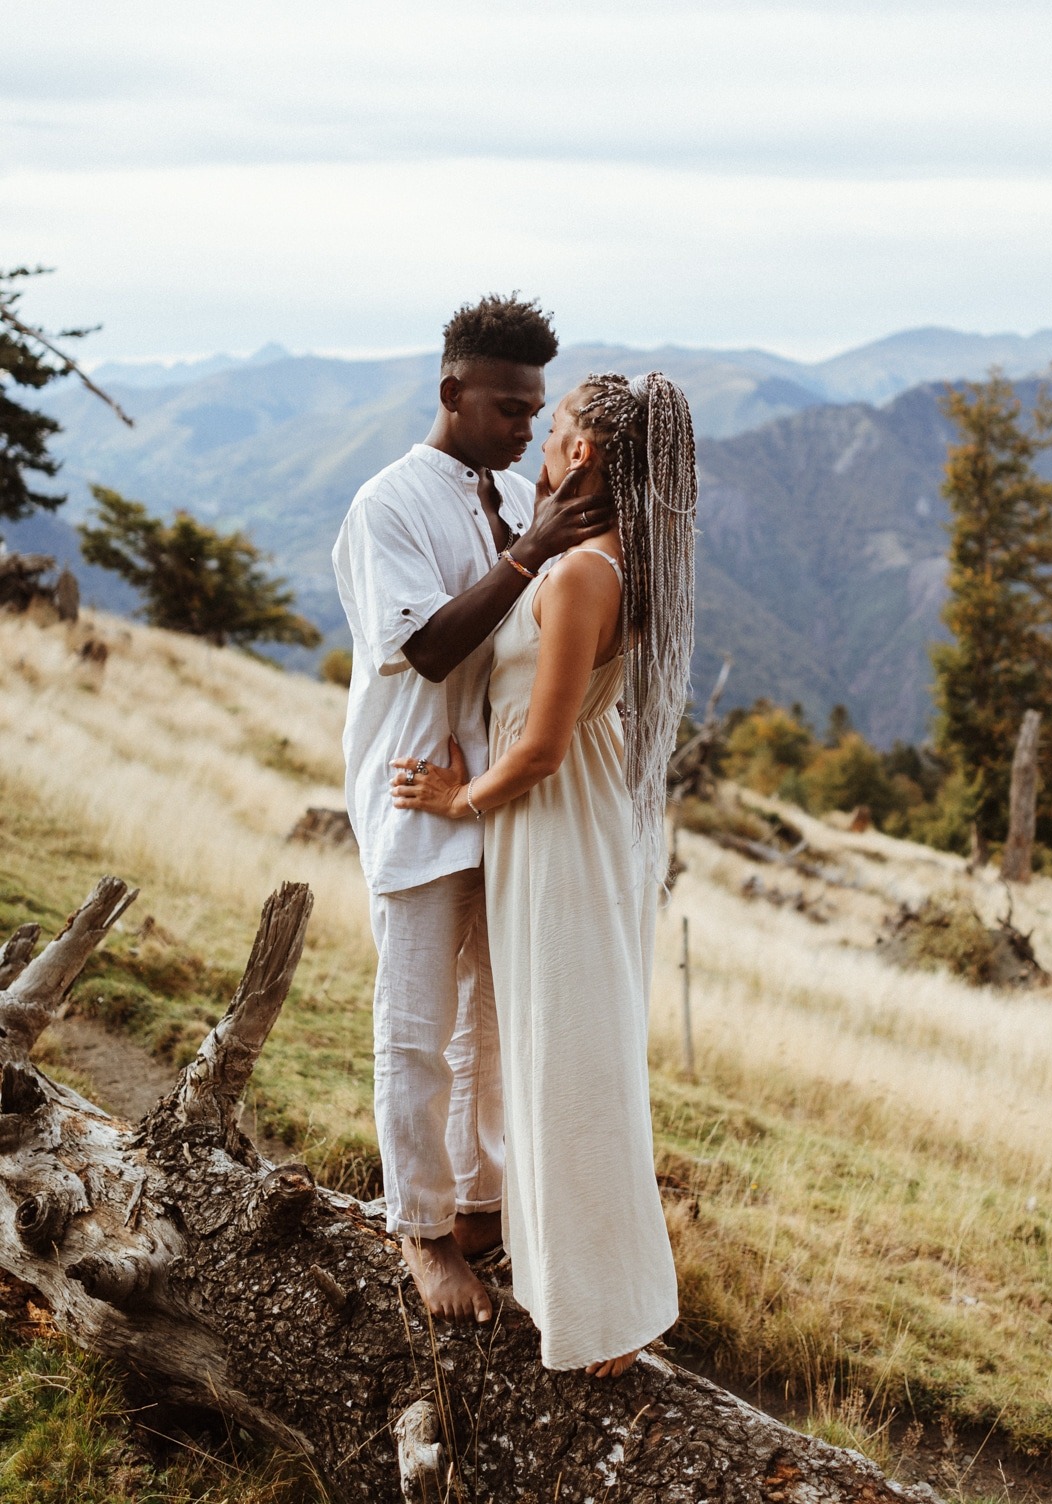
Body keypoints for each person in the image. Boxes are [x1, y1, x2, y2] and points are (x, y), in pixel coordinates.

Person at [393, 370, 697, 1376]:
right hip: (566, 819)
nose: (540, 442)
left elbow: (544, 747)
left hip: (552, 817)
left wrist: (453, 801)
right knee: (560, 1044)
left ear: (589, 454)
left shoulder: (581, 576)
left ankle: (602, 1314)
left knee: (566, 1054)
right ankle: (587, 1284)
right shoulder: (607, 558)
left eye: (555, 427)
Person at [332, 296, 612, 1326]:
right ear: (451, 392)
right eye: (505, 407)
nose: (522, 430)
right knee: (412, 1023)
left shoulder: (505, 495)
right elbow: (429, 648)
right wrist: (530, 551)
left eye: (533, 411)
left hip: (491, 798)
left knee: (487, 1025)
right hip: (415, 791)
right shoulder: (388, 504)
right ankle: (419, 1232)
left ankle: (481, 1204)